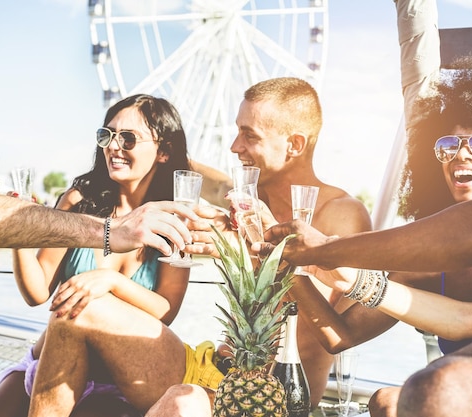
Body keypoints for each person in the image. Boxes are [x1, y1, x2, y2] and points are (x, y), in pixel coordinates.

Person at [259, 1, 472, 414]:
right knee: (388, 401)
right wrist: (296, 267)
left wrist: (324, 252)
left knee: (421, 391)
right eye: (447, 146)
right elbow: (341, 336)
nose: (462, 156)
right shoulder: (427, 264)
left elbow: (466, 305)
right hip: (461, 392)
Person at [0, 47, 195, 417]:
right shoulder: (77, 201)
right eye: (107, 135)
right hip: (52, 362)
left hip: (121, 378)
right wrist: (17, 228)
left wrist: (107, 282)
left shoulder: (176, 217)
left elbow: (166, 311)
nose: (114, 147)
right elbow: (36, 293)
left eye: (128, 138)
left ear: (164, 151)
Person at [148, 76, 373, 416]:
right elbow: (194, 175)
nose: (235, 146)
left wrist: (245, 252)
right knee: (82, 322)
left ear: (294, 145)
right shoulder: (249, 200)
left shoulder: (340, 214)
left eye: (249, 135)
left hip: (273, 394)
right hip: (215, 368)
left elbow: (312, 332)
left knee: (182, 401)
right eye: (238, 132)